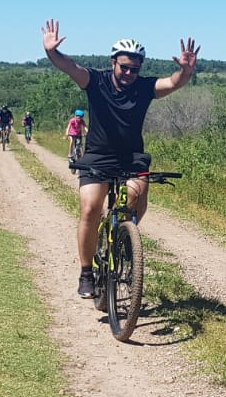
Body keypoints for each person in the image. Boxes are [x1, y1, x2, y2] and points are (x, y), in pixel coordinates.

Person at [41, 19, 199, 298]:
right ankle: (86, 272)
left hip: (131, 158)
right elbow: (70, 67)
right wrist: (52, 52)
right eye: (124, 66)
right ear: (113, 62)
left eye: (134, 69)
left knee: (137, 195)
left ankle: (126, 239)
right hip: (97, 156)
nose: (128, 73)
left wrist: (185, 71)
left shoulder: (144, 87)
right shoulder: (95, 80)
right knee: (91, 208)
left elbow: (173, 83)